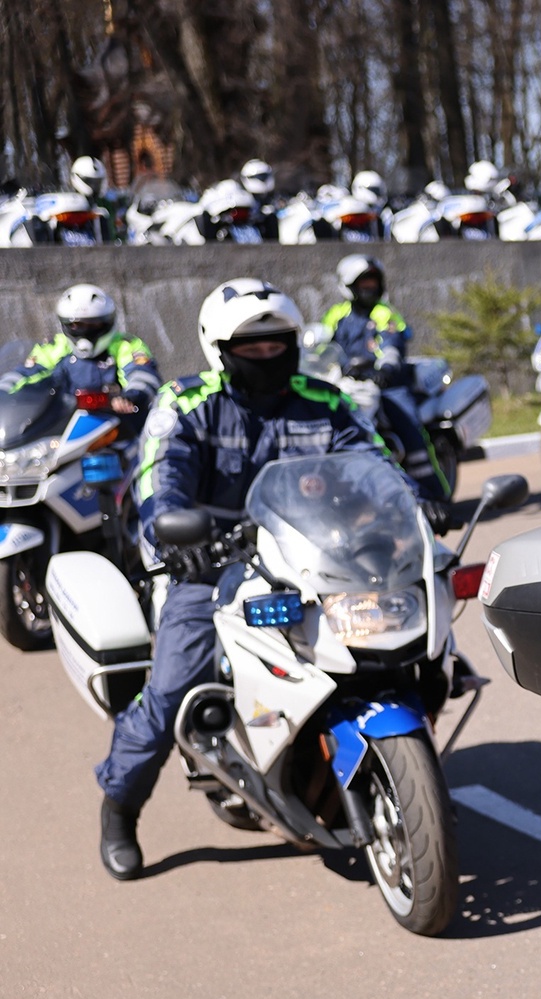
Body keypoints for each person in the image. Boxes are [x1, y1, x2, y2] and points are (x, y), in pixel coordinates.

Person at [95, 280, 380, 880]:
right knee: (175, 689)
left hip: (316, 562)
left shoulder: (325, 401)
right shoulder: (186, 402)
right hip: (211, 566)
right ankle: (120, 807)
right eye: (252, 347)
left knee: (388, 647)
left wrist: (411, 502)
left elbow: (373, 462)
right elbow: (157, 479)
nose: (267, 356)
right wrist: (176, 540)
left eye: (278, 344)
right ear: (219, 349)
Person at [321, 254, 446, 510]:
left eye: (373, 282)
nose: (370, 288)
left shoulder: (384, 312)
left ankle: (433, 495)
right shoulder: (336, 314)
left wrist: (385, 369)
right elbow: (321, 346)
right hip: (347, 384)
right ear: (348, 286)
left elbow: (392, 345)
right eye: (363, 283)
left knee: (410, 429)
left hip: (389, 385)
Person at [7, 285, 159, 428]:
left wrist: (130, 397)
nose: (84, 332)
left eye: (93, 325)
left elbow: (142, 375)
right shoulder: (55, 346)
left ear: (107, 323)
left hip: (115, 425)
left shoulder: (125, 345)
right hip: (61, 427)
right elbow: (24, 374)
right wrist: (4, 391)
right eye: (76, 325)